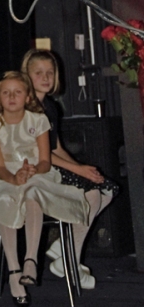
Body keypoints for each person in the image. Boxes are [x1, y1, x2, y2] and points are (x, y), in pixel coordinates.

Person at [0, 71, 88, 307]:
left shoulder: (38, 120)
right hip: (8, 177)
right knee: (4, 200)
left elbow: (45, 161)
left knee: (33, 193)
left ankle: (30, 259)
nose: (12, 97)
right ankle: (14, 271)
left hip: (38, 174)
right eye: (6, 93)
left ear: (27, 96)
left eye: (17, 92)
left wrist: (31, 172)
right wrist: (14, 178)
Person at [21, 49, 119, 290]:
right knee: (91, 194)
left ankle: (63, 251)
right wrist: (79, 171)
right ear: (27, 76)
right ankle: (70, 261)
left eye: (50, 72)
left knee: (107, 189)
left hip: (51, 166)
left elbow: (56, 148)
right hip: (33, 173)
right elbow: (38, 154)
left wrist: (80, 168)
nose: (46, 78)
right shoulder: (25, 108)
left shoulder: (50, 107)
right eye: (39, 73)